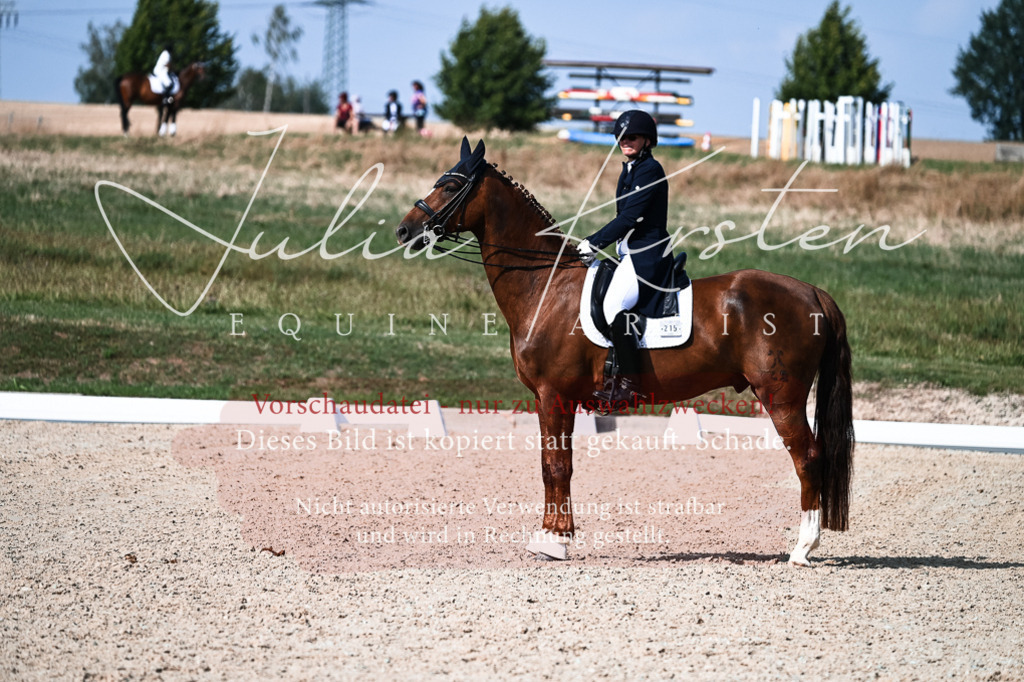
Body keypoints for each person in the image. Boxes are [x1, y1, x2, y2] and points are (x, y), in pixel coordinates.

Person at [576, 109, 673, 407]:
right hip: (629, 252)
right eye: (621, 137)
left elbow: (631, 217)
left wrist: (595, 242)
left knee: (614, 306)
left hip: (647, 254)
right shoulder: (630, 169)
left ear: (647, 140)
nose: (625, 141)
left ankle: (630, 385)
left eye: (632, 137)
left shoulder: (650, 170)